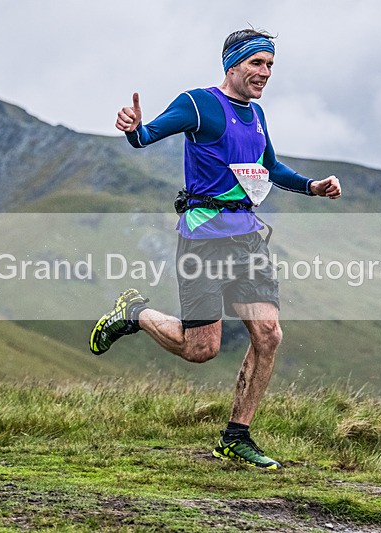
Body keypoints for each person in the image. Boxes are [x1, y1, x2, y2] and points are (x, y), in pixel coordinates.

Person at [90, 28, 341, 469]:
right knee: (200, 349)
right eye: (256, 64)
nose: (264, 73)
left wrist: (312, 187)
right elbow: (148, 135)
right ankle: (135, 314)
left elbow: (268, 166)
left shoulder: (257, 115)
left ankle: (236, 437)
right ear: (233, 64)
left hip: (247, 238)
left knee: (269, 334)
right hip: (203, 239)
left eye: (270, 66)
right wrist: (134, 130)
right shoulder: (199, 103)